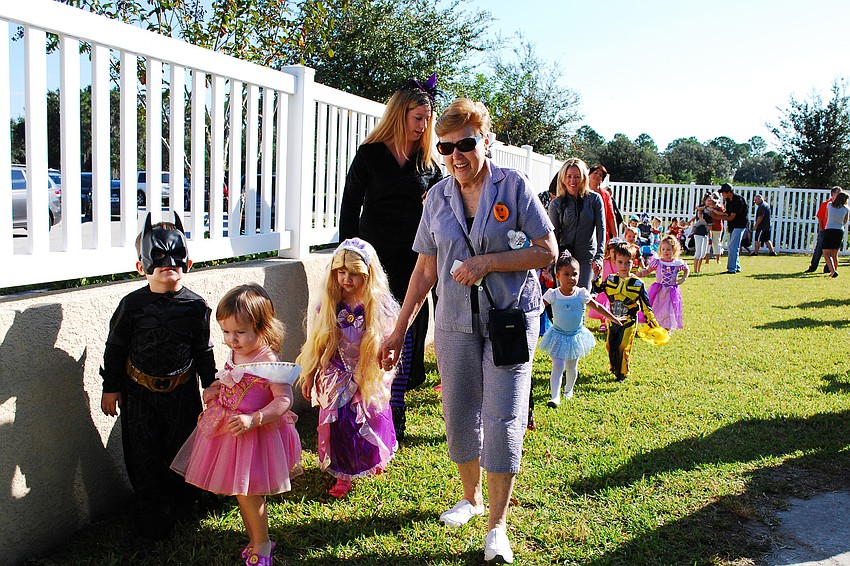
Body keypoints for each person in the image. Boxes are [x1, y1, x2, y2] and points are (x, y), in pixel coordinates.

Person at [379, 98, 557, 564]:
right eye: (445, 147)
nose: (456, 155)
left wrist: (488, 263)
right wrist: (399, 331)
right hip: (455, 323)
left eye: (466, 144)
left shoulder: (514, 187)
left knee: (502, 418)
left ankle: (497, 525)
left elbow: (546, 251)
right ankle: (471, 498)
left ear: (485, 141)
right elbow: (423, 269)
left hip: (510, 321)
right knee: (459, 415)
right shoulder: (437, 197)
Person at [338, 75, 443, 441]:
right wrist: (347, 254)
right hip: (373, 260)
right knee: (368, 332)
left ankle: (394, 412)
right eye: (418, 117)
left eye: (428, 117)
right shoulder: (370, 154)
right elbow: (350, 205)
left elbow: (445, 209)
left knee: (409, 331)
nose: (424, 125)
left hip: (414, 261)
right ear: (400, 114)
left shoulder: (429, 164)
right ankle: (365, 407)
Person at [99, 213, 217, 541]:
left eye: (175, 259)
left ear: (188, 263)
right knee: (142, 451)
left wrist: (211, 384)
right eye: (158, 258)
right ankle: (149, 509)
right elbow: (115, 347)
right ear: (142, 266)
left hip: (182, 392)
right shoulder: (131, 306)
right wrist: (111, 387)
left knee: (182, 448)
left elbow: (203, 349)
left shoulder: (195, 306)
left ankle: (183, 503)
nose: (168, 264)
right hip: (139, 394)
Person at [171, 284, 301, 566]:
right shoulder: (236, 352)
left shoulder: (268, 360)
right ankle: (255, 539)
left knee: (251, 492)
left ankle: (263, 542)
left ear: (262, 327)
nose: (232, 340)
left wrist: (254, 419)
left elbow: (283, 400)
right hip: (231, 431)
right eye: (226, 333)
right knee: (241, 493)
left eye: (239, 333)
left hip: (255, 435)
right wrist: (217, 388)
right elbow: (233, 379)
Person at [297, 238, 398, 499]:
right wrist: (309, 373)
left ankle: (373, 457)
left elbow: (388, 342)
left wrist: (384, 361)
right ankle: (343, 473)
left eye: (354, 273)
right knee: (340, 424)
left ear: (369, 273)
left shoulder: (380, 306)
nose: (346, 279)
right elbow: (318, 343)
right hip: (336, 372)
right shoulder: (328, 303)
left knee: (372, 415)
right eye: (341, 272)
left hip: (367, 371)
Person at [539, 252, 622, 407]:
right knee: (557, 365)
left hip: (575, 336)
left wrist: (613, 318)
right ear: (557, 276)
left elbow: (597, 306)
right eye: (566, 274)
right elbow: (538, 308)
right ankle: (555, 396)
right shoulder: (552, 294)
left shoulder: (581, 294)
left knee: (571, 365)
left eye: (575, 274)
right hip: (557, 334)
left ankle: (568, 390)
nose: (571, 278)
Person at [593, 241, 661, 382]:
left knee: (624, 346)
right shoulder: (611, 279)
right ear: (614, 261)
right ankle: (614, 367)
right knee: (610, 345)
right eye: (620, 262)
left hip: (629, 321)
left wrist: (652, 321)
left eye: (627, 262)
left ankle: (622, 373)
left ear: (633, 262)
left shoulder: (638, 283)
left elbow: (645, 305)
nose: (624, 266)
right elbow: (599, 289)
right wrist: (596, 276)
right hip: (612, 320)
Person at [548, 158, 605, 290]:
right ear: (563, 177)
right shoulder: (556, 204)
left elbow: (601, 229)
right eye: (569, 176)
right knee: (563, 299)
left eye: (577, 177)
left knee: (582, 297)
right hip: (564, 258)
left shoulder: (594, 199)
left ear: (584, 178)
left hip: (586, 257)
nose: (572, 181)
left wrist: (599, 257)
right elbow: (553, 236)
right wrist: (550, 263)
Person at [637, 235, 689, 331]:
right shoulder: (658, 262)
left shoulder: (677, 263)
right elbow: (648, 270)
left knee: (669, 309)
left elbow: (686, 269)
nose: (665, 252)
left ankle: (666, 328)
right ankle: (653, 324)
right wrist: (641, 273)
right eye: (663, 249)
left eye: (668, 249)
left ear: (674, 250)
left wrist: (683, 279)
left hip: (671, 291)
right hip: (658, 290)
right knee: (655, 307)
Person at [714, 183, 748, 273]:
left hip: (739, 225)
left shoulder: (738, 200)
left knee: (733, 247)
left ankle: (731, 269)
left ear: (729, 192)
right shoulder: (728, 200)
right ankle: (737, 267)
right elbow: (727, 213)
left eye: (723, 192)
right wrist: (716, 211)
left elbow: (731, 217)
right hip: (732, 225)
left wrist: (717, 217)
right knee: (731, 246)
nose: (722, 194)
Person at [806, 186, 841, 273]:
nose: (840, 194)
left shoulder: (841, 205)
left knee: (833, 251)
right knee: (819, 249)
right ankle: (813, 266)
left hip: (835, 230)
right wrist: (821, 229)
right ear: (833, 194)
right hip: (825, 230)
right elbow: (820, 217)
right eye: (838, 192)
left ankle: (828, 268)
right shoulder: (826, 204)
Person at [588, 238, 619, 332]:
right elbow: (599, 272)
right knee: (603, 305)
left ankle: (614, 321)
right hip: (606, 287)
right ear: (609, 251)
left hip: (617, 288)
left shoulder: (620, 262)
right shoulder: (605, 262)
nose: (615, 254)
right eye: (613, 251)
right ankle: (603, 322)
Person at [822, 189, 850, 278]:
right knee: (834, 253)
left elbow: (826, 216)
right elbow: (845, 220)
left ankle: (833, 271)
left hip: (829, 230)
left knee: (826, 253)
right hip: (839, 230)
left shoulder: (829, 205)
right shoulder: (846, 209)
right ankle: (834, 271)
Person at [588, 164, 619, 242]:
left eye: (601, 175)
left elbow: (610, 217)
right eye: (595, 173)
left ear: (602, 180)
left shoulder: (605, 195)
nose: (598, 175)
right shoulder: (581, 191)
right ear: (589, 174)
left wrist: (616, 237)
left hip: (601, 235)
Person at [690, 195, 711, 274]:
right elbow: (700, 216)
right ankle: (695, 270)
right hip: (699, 232)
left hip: (705, 232)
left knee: (704, 252)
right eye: (708, 200)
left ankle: (699, 269)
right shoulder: (702, 207)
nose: (710, 202)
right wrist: (705, 222)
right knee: (698, 251)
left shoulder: (710, 209)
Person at [707, 192, 724, 263]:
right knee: (711, 243)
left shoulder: (718, 206)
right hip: (712, 226)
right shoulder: (711, 206)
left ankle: (717, 259)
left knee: (715, 242)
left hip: (716, 226)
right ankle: (709, 260)